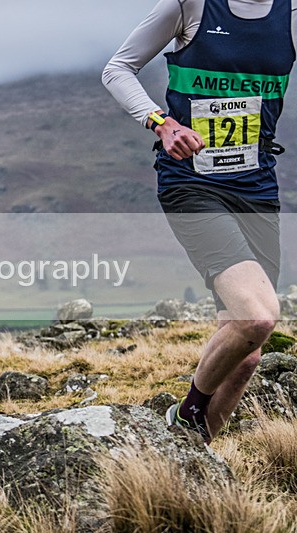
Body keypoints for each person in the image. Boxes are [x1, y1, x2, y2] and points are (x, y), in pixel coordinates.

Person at [103, 0, 296, 443]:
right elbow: (117, 69)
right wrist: (161, 122)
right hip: (192, 184)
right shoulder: (191, 5)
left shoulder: (290, 14)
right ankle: (186, 414)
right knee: (257, 319)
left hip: (257, 186)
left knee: (246, 355)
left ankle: (194, 458)